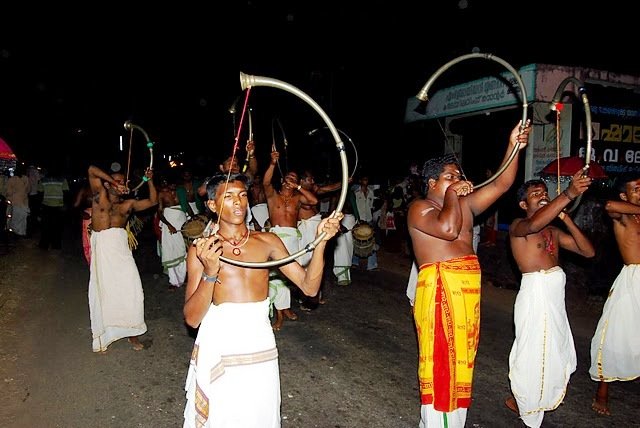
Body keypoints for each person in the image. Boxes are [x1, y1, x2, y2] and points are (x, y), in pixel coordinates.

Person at [182, 172, 342, 428]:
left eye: (243, 195)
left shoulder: (268, 241)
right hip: (221, 340)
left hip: (259, 338)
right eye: (229, 196)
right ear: (212, 204)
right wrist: (210, 274)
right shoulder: (202, 249)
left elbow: (309, 288)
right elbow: (191, 318)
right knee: (224, 415)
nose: (238, 202)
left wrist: (321, 242)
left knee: (260, 412)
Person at [406, 120, 531, 428]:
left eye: (459, 175)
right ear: (432, 182)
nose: (459, 180)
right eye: (449, 176)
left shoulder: (465, 204)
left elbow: (501, 184)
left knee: (461, 360)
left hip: (466, 297)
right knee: (442, 364)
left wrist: (514, 145)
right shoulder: (420, 208)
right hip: (440, 293)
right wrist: (452, 195)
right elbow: (447, 230)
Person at [505, 169, 594, 428]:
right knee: (532, 349)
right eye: (536, 195)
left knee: (554, 347)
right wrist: (568, 194)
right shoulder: (518, 226)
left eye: (545, 193)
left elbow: (587, 252)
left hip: (554, 298)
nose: (542, 197)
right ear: (524, 204)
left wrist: (566, 218)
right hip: (536, 294)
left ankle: (533, 397)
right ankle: (526, 402)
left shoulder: (553, 231)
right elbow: (533, 224)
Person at [87, 164, 158, 352]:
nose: (120, 184)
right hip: (103, 250)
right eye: (115, 181)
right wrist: (112, 181)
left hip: (121, 251)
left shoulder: (128, 204)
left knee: (132, 290)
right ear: (108, 184)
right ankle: (105, 336)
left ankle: (132, 334)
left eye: (122, 181)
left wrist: (149, 179)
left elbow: (152, 201)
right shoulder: (99, 196)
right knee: (105, 293)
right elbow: (92, 169)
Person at [589, 172, 640, 416]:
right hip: (632, 280)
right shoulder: (623, 215)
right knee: (614, 336)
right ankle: (602, 392)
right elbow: (609, 205)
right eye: (637, 189)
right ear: (625, 194)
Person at [263, 151, 318, 330]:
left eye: (294, 179)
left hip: (292, 239)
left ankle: (284, 307)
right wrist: (272, 163)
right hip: (275, 238)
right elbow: (265, 182)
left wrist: (299, 187)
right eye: (288, 178)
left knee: (288, 275)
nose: (290, 180)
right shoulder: (273, 196)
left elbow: (314, 200)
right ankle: (279, 314)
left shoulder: (298, 198)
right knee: (274, 276)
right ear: (282, 181)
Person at [157, 180, 188, 290]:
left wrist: (192, 218)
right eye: (163, 182)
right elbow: (160, 212)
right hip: (170, 221)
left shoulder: (180, 192)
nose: (166, 183)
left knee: (183, 249)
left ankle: (183, 278)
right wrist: (169, 225)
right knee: (171, 250)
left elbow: (186, 206)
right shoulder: (161, 194)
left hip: (181, 220)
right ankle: (173, 281)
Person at [72, 180, 93, 266]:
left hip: (90, 217)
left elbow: (76, 204)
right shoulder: (102, 190)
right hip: (94, 217)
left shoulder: (84, 190)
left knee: (89, 242)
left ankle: (93, 264)